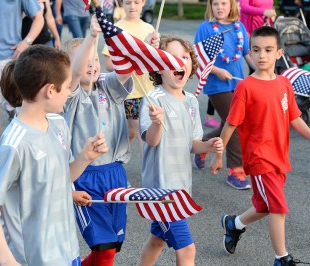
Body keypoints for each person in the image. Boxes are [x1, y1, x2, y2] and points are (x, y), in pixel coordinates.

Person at [0, 45, 108, 266]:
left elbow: (61, 176)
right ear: (50, 90)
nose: (69, 92)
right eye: (67, 87)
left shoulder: (58, 123)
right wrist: (7, 260)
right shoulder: (15, 143)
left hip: (67, 248)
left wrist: (85, 157)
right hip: (34, 257)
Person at [210, 26, 310, 265]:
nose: (262, 55)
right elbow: (230, 124)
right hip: (259, 158)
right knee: (278, 208)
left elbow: (294, 117)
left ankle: (234, 224)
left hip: (279, 157)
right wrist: (219, 156)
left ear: (278, 53)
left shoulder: (284, 84)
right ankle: (281, 258)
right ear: (250, 54)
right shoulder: (246, 86)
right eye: (256, 50)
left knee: (264, 206)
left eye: (268, 50)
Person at [137, 36, 224, 266]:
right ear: (159, 67)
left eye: (184, 57)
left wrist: (209, 145)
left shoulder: (192, 102)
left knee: (157, 240)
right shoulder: (153, 99)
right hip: (161, 190)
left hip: (181, 188)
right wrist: (157, 122)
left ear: (191, 65)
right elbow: (152, 141)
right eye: (172, 57)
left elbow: (193, 144)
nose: (179, 62)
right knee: (187, 249)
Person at [62, 15, 133, 266]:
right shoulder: (69, 94)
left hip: (115, 173)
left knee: (111, 246)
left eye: (95, 60)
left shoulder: (107, 85)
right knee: (103, 247)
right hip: (85, 175)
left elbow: (125, 70)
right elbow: (76, 72)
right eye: (85, 60)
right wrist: (92, 37)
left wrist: (145, 45)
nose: (91, 65)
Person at [194, 0, 254, 190]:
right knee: (235, 123)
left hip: (237, 83)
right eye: (216, 3)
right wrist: (217, 71)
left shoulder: (239, 27)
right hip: (216, 84)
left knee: (228, 123)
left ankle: (203, 144)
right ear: (210, 6)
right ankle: (235, 170)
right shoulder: (205, 28)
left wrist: (265, 71)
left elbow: (247, 54)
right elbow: (197, 57)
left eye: (224, 3)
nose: (220, 7)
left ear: (232, 6)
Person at [0, 0, 43, 164]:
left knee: (23, 102)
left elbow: (39, 17)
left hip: (13, 55)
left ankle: (27, 148)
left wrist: (26, 42)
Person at [102, 0, 159, 155]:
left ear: (143, 3)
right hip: (129, 93)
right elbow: (109, 64)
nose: (132, 6)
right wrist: (133, 61)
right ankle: (149, 176)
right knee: (144, 133)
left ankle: (114, 161)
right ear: (122, 4)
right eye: (128, 2)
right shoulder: (115, 29)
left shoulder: (150, 28)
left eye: (136, 2)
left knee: (130, 133)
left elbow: (154, 60)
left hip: (148, 90)